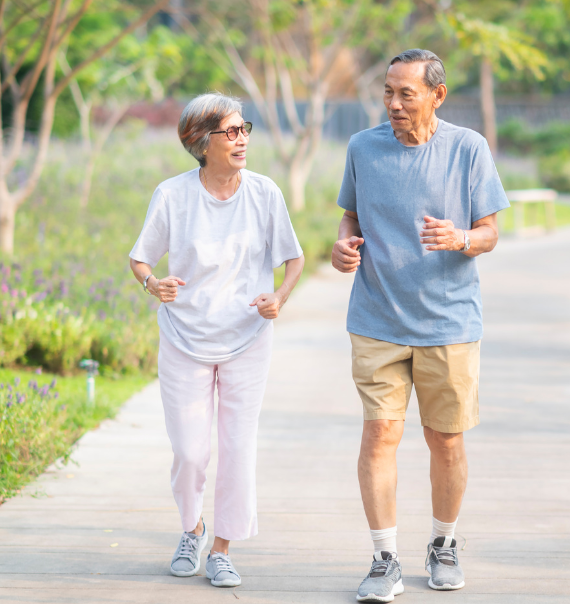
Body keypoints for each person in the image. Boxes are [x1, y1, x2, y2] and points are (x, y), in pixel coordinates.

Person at [333, 49, 509, 602]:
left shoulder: (468, 149)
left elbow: (489, 233)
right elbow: (350, 216)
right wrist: (342, 248)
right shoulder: (363, 147)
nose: (393, 103)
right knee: (380, 433)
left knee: (446, 440)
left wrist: (459, 238)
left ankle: (443, 544)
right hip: (377, 317)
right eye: (388, 91)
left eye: (405, 93)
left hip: (449, 322)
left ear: (437, 95)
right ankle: (384, 558)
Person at [128, 92, 304, 589]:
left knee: (237, 447)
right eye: (230, 132)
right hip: (185, 337)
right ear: (201, 143)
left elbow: (294, 258)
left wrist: (279, 298)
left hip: (248, 339)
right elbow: (141, 258)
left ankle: (223, 547)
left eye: (244, 128)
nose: (242, 138)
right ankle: (193, 529)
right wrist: (152, 284)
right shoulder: (172, 195)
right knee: (189, 451)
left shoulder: (265, 193)